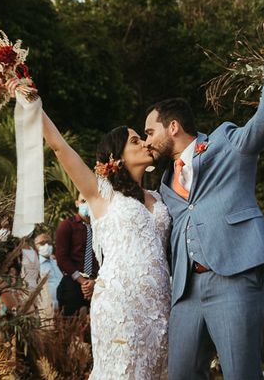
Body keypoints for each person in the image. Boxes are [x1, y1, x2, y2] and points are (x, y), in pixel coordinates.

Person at [145, 17, 264, 380]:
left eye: (150, 132)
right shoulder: (162, 184)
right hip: (187, 291)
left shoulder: (226, 142)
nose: (147, 141)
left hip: (235, 277)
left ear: (173, 126)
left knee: (241, 373)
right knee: (180, 375)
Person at [25, 89, 170, 380]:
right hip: (120, 304)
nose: (144, 142)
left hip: (159, 307)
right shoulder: (102, 193)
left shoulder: (159, 196)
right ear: (117, 157)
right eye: (135, 140)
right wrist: (31, 104)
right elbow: (60, 148)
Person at [54, 196, 99, 316]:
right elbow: (62, 258)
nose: (87, 204)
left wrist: (94, 282)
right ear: (77, 203)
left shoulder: (100, 228)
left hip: (95, 284)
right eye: (84, 201)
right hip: (73, 282)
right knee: (71, 329)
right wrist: (82, 281)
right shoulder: (67, 225)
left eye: (90, 200)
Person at [35, 232, 63, 310]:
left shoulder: (57, 262)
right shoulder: (35, 266)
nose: (46, 246)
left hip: (64, 308)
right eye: (42, 243)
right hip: (48, 309)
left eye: (49, 243)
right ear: (35, 246)